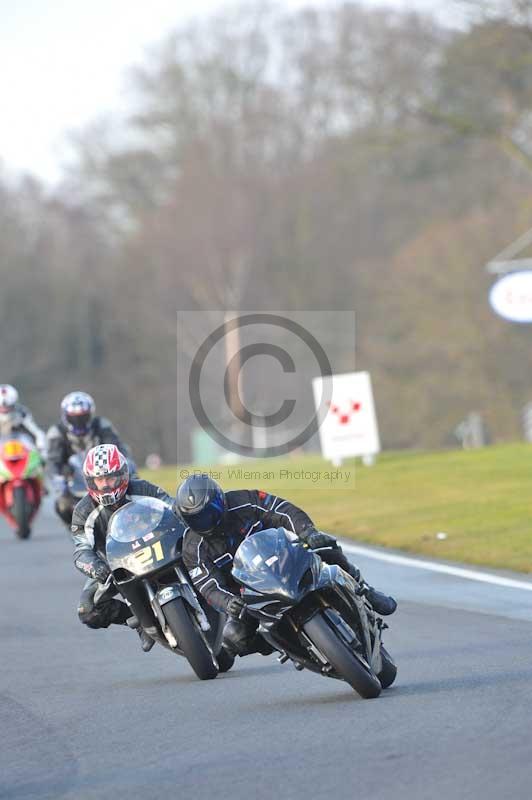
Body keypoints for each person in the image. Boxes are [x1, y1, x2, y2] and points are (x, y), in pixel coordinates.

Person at [177, 474, 397, 658]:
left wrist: (307, 532)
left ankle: (365, 590)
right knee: (234, 638)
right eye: (198, 519)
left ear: (220, 500)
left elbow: (282, 510)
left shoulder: (244, 500)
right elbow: (207, 584)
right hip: (250, 595)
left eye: (210, 511)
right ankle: (286, 646)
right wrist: (228, 603)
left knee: (325, 546)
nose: (206, 521)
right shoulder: (192, 547)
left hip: (284, 559)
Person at [71, 443, 172, 652]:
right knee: (87, 609)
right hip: (113, 563)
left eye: (111, 478)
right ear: (90, 481)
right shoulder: (83, 511)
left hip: (155, 545)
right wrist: (96, 567)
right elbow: (81, 550)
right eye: (100, 480)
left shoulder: (142, 488)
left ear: (123, 475)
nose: (106, 485)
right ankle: (138, 621)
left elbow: (171, 506)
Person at [47, 391, 136, 526]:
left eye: (83, 417)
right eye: (74, 417)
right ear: (65, 416)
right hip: (73, 482)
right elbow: (53, 459)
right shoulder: (56, 431)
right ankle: (76, 530)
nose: (79, 422)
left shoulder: (102, 424)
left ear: (90, 414)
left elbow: (116, 446)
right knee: (61, 505)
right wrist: (60, 477)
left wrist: (127, 465)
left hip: (106, 477)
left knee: (133, 489)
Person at [0, 384, 47, 457]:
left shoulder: (21, 413)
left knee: (28, 443)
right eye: (1, 407)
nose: (4, 409)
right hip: (2, 446)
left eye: (7, 406)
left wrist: (40, 448)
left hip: (19, 444)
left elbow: (36, 432)